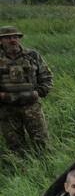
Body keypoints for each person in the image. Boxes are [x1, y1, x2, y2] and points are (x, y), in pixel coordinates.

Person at [0, 24, 53, 152]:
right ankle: (22, 170)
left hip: (31, 107)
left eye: (15, 37)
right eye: (8, 38)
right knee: (15, 146)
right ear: (1, 40)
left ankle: (45, 168)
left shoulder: (32, 56)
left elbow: (46, 76)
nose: (13, 40)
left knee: (42, 143)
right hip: (7, 109)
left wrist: (38, 92)